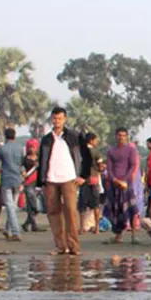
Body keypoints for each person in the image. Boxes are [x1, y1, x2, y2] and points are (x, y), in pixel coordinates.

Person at [38, 107, 88, 256]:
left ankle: (73, 246)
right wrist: (41, 181)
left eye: (60, 118)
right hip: (51, 179)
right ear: (51, 119)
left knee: (71, 211)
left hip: (69, 179)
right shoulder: (46, 139)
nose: (57, 121)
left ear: (65, 119)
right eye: (54, 118)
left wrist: (83, 176)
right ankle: (60, 246)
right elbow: (42, 160)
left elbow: (86, 156)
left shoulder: (75, 136)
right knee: (53, 212)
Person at [104, 127, 141, 244]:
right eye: (119, 135)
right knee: (116, 210)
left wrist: (124, 180)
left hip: (127, 184)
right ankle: (118, 236)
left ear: (127, 137)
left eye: (124, 135)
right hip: (114, 184)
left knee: (132, 210)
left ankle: (134, 235)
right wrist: (114, 179)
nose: (121, 137)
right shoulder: (111, 151)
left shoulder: (131, 150)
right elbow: (109, 168)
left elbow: (133, 166)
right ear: (116, 136)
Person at [0, 127, 25, 242]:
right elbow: (23, 163)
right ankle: (8, 230)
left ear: (5, 137)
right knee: (12, 206)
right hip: (17, 179)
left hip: (6, 180)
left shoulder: (2, 149)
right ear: (14, 136)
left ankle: (16, 232)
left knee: (10, 206)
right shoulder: (21, 148)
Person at [78, 133, 104, 234]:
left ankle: (81, 228)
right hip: (93, 180)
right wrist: (100, 169)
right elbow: (100, 165)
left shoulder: (81, 151)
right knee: (96, 205)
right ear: (92, 140)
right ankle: (97, 228)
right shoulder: (96, 151)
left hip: (82, 181)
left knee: (82, 206)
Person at [21, 139, 42, 233]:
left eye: (34, 147)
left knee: (30, 206)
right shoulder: (25, 159)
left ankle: (29, 225)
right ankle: (31, 224)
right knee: (35, 207)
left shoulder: (40, 158)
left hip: (38, 183)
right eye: (30, 147)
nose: (32, 149)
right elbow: (21, 168)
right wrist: (23, 173)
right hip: (28, 183)